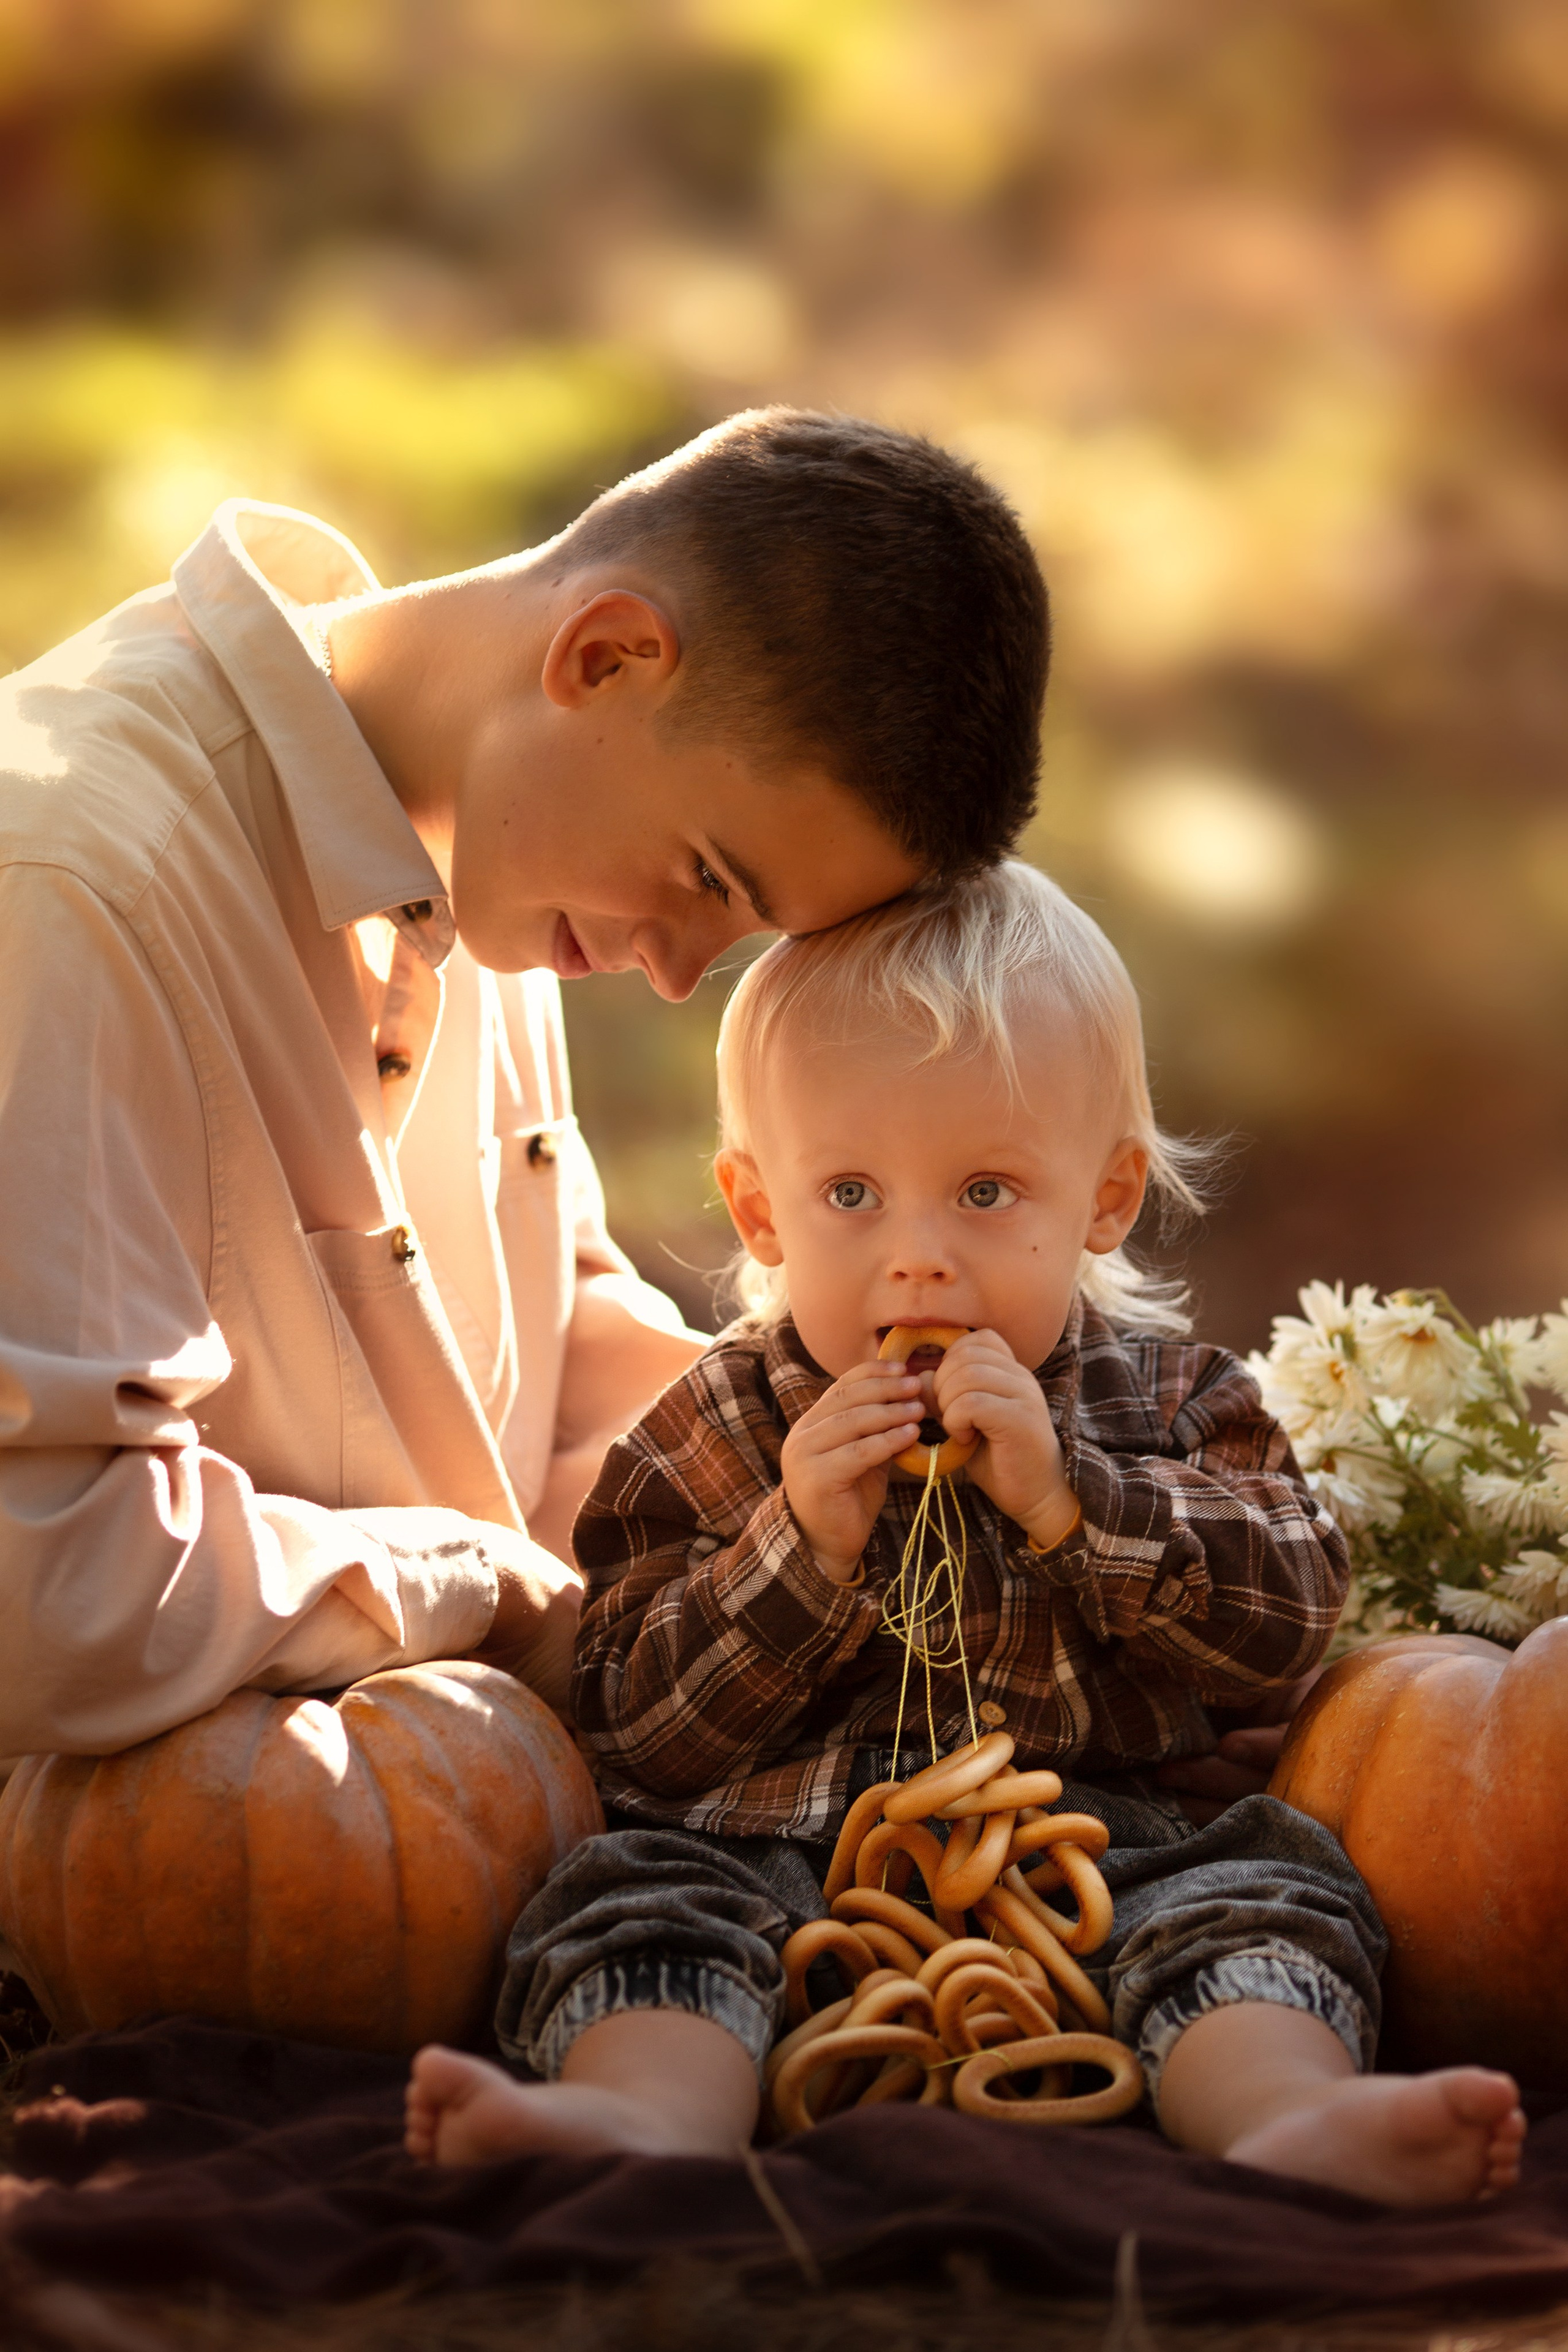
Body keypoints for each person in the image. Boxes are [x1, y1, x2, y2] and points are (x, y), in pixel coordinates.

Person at [405, 862, 1526, 2207]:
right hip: (764, 1845)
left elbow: (1286, 1619)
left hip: (1099, 1841)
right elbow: (633, 1725)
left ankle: (1285, 2117)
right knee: (635, 1901)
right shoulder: (713, 1425)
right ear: (760, 1209)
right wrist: (795, 1547)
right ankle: (639, 2117)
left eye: (985, 1193)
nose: (918, 1258)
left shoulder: (1171, 1402)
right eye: (850, 1196)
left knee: (1258, 1900)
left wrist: (1074, 1503)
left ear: (1101, 1201)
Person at [0, 409, 1048, 1755]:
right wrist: (475, 1587)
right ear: (603, 656)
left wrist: (970, 1562)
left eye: (740, 927)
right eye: (708, 879)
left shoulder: (481, 856)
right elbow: (40, 1586)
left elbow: (562, 1386)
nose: (678, 975)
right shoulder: (72, 884)